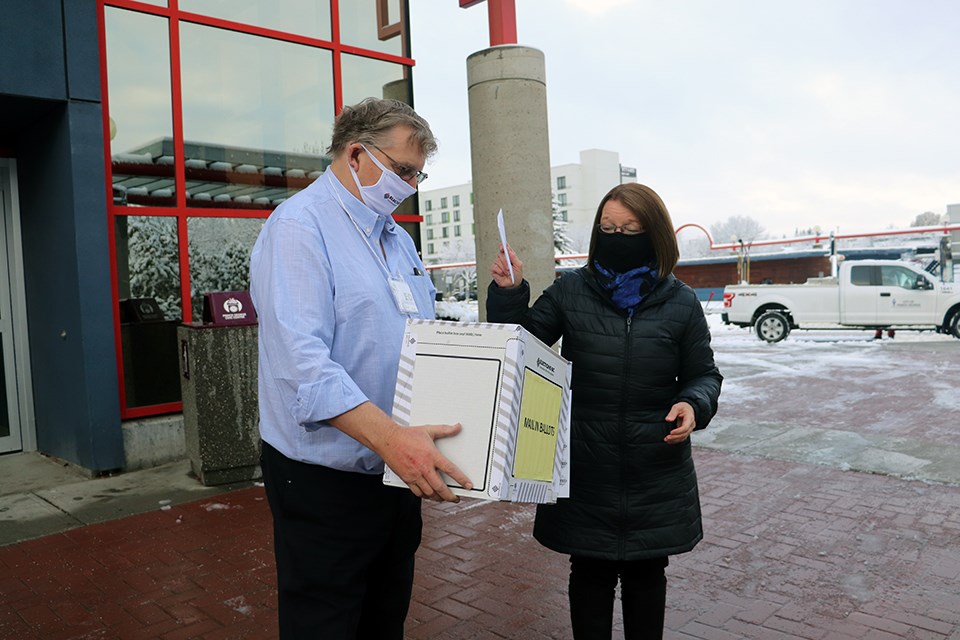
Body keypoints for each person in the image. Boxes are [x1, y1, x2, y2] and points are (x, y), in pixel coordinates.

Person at [250, 97, 473, 639]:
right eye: (402, 170)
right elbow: (304, 366)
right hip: (325, 480)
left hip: (394, 471)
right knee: (325, 622)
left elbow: (419, 337)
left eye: (418, 175)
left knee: (383, 616)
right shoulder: (299, 228)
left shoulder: (394, 237)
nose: (410, 185)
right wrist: (392, 438)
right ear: (355, 153)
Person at [487, 183, 723, 639]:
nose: (618, 236)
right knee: (589, 576)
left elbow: (704, 375)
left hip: (655, 468)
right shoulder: (571, 291)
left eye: (630, 229)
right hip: (585, 466)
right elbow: (520, 348)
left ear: (653, 234)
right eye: (608, 228)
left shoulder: (681, 302)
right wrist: (510, 291)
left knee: (647, 577)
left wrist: (694, 404)